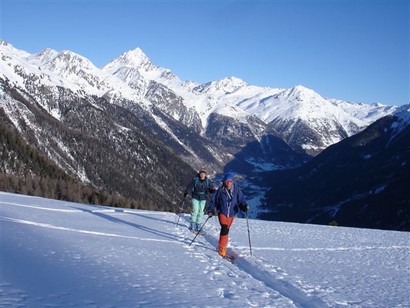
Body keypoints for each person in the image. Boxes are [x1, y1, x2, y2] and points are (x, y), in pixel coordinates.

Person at [207, 173, 249, 257]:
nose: (229, 183)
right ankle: (222, 248)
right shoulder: (220, 190)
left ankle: (223, 245)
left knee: (226, 230)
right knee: (225, 228)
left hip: (232, 214)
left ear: (232, 181)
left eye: (230, 181)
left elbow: (241, 201)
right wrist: (211, 209)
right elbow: (214, 200)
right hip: (222, 212)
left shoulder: (237, 190)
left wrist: (244, 206)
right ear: (224, 182)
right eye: (227, 181)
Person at [184, 168, 216, 232]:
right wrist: (187, 192)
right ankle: (192, 224)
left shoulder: (208, 181)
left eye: (204, 174)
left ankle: (198, 224)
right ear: (199, 173)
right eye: (201, 173)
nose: (202, 175)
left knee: (201, 211)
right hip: (195, 197)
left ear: (205, 174)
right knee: (195, 210)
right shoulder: (195, 180)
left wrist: (212, 190)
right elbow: (190, 186)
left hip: (203, 198)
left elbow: (211, 188)